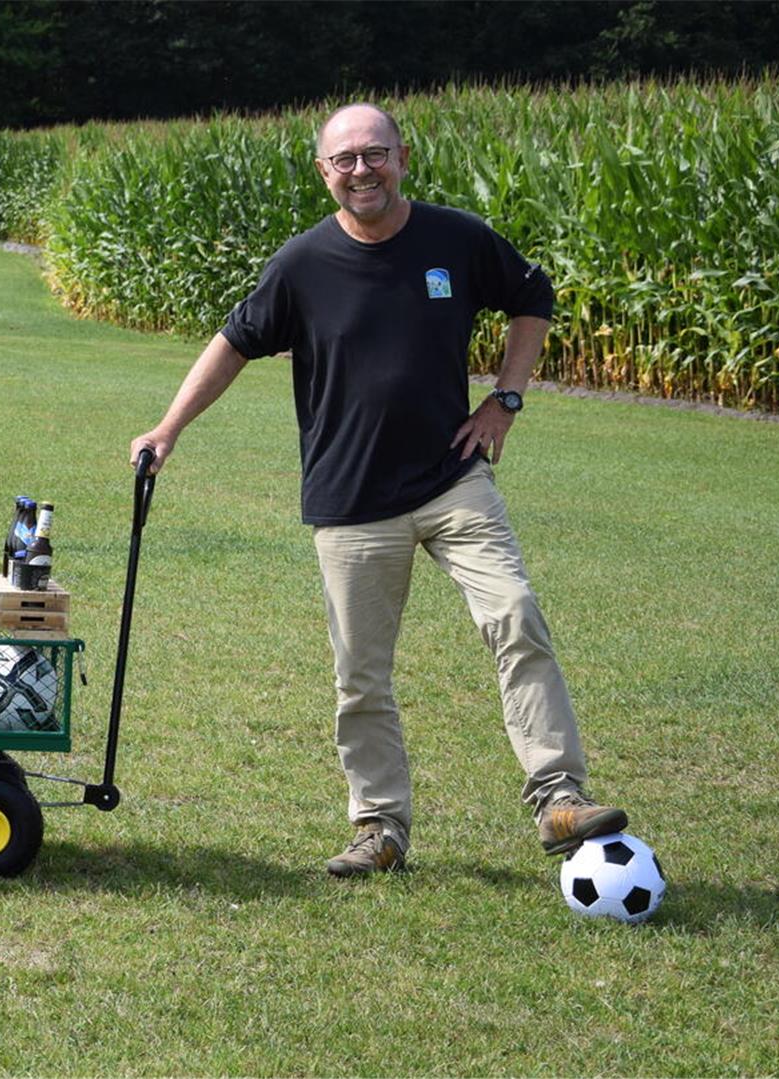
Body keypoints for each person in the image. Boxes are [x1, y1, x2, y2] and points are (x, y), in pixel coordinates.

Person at [129, 103, 627, 877]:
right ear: (324, 171)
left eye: (375, 154)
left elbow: (534, 296)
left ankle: (559, 796)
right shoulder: (301, 264)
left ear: (402, 156)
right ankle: (380, 829)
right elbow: (233, 343)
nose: (362, 170)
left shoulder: (455, 239)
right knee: (361, 675)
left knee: (516, 615)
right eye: (345, 160)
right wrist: (168, 428)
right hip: (352, 498)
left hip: (453, 479)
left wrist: (507, 397)